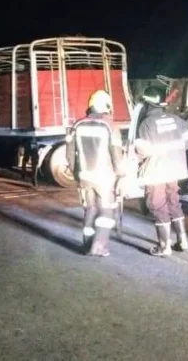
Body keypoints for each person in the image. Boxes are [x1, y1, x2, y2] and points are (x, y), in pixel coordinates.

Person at [134, 86, 188, 256]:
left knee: (157, 205)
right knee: (173, 202)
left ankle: (164, 247)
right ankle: (182, 241)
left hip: (157, 172)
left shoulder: (146, 124)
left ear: (147, 104)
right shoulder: (175, 119)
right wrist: (179, 148)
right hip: (176, 169)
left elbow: (143, 151)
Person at [65, 90, 126, 257]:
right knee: (106, 211)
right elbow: (116, 155)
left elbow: (70, 153)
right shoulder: (110, 126)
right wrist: (121, 174)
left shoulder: (77, 125)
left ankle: (87, 243)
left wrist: (76, 173)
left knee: (90, 209)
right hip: (104, 178)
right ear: (107, 106)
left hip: (84, 176)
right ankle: (99, 246)